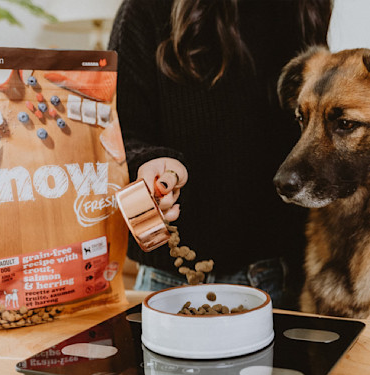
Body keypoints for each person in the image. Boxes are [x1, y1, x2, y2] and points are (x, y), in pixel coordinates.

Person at [108, 0, 332, 310]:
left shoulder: (304, 8)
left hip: (284, 279)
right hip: (171, 281)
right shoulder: (146, 10)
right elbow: (119, 134)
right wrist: (150, 161)